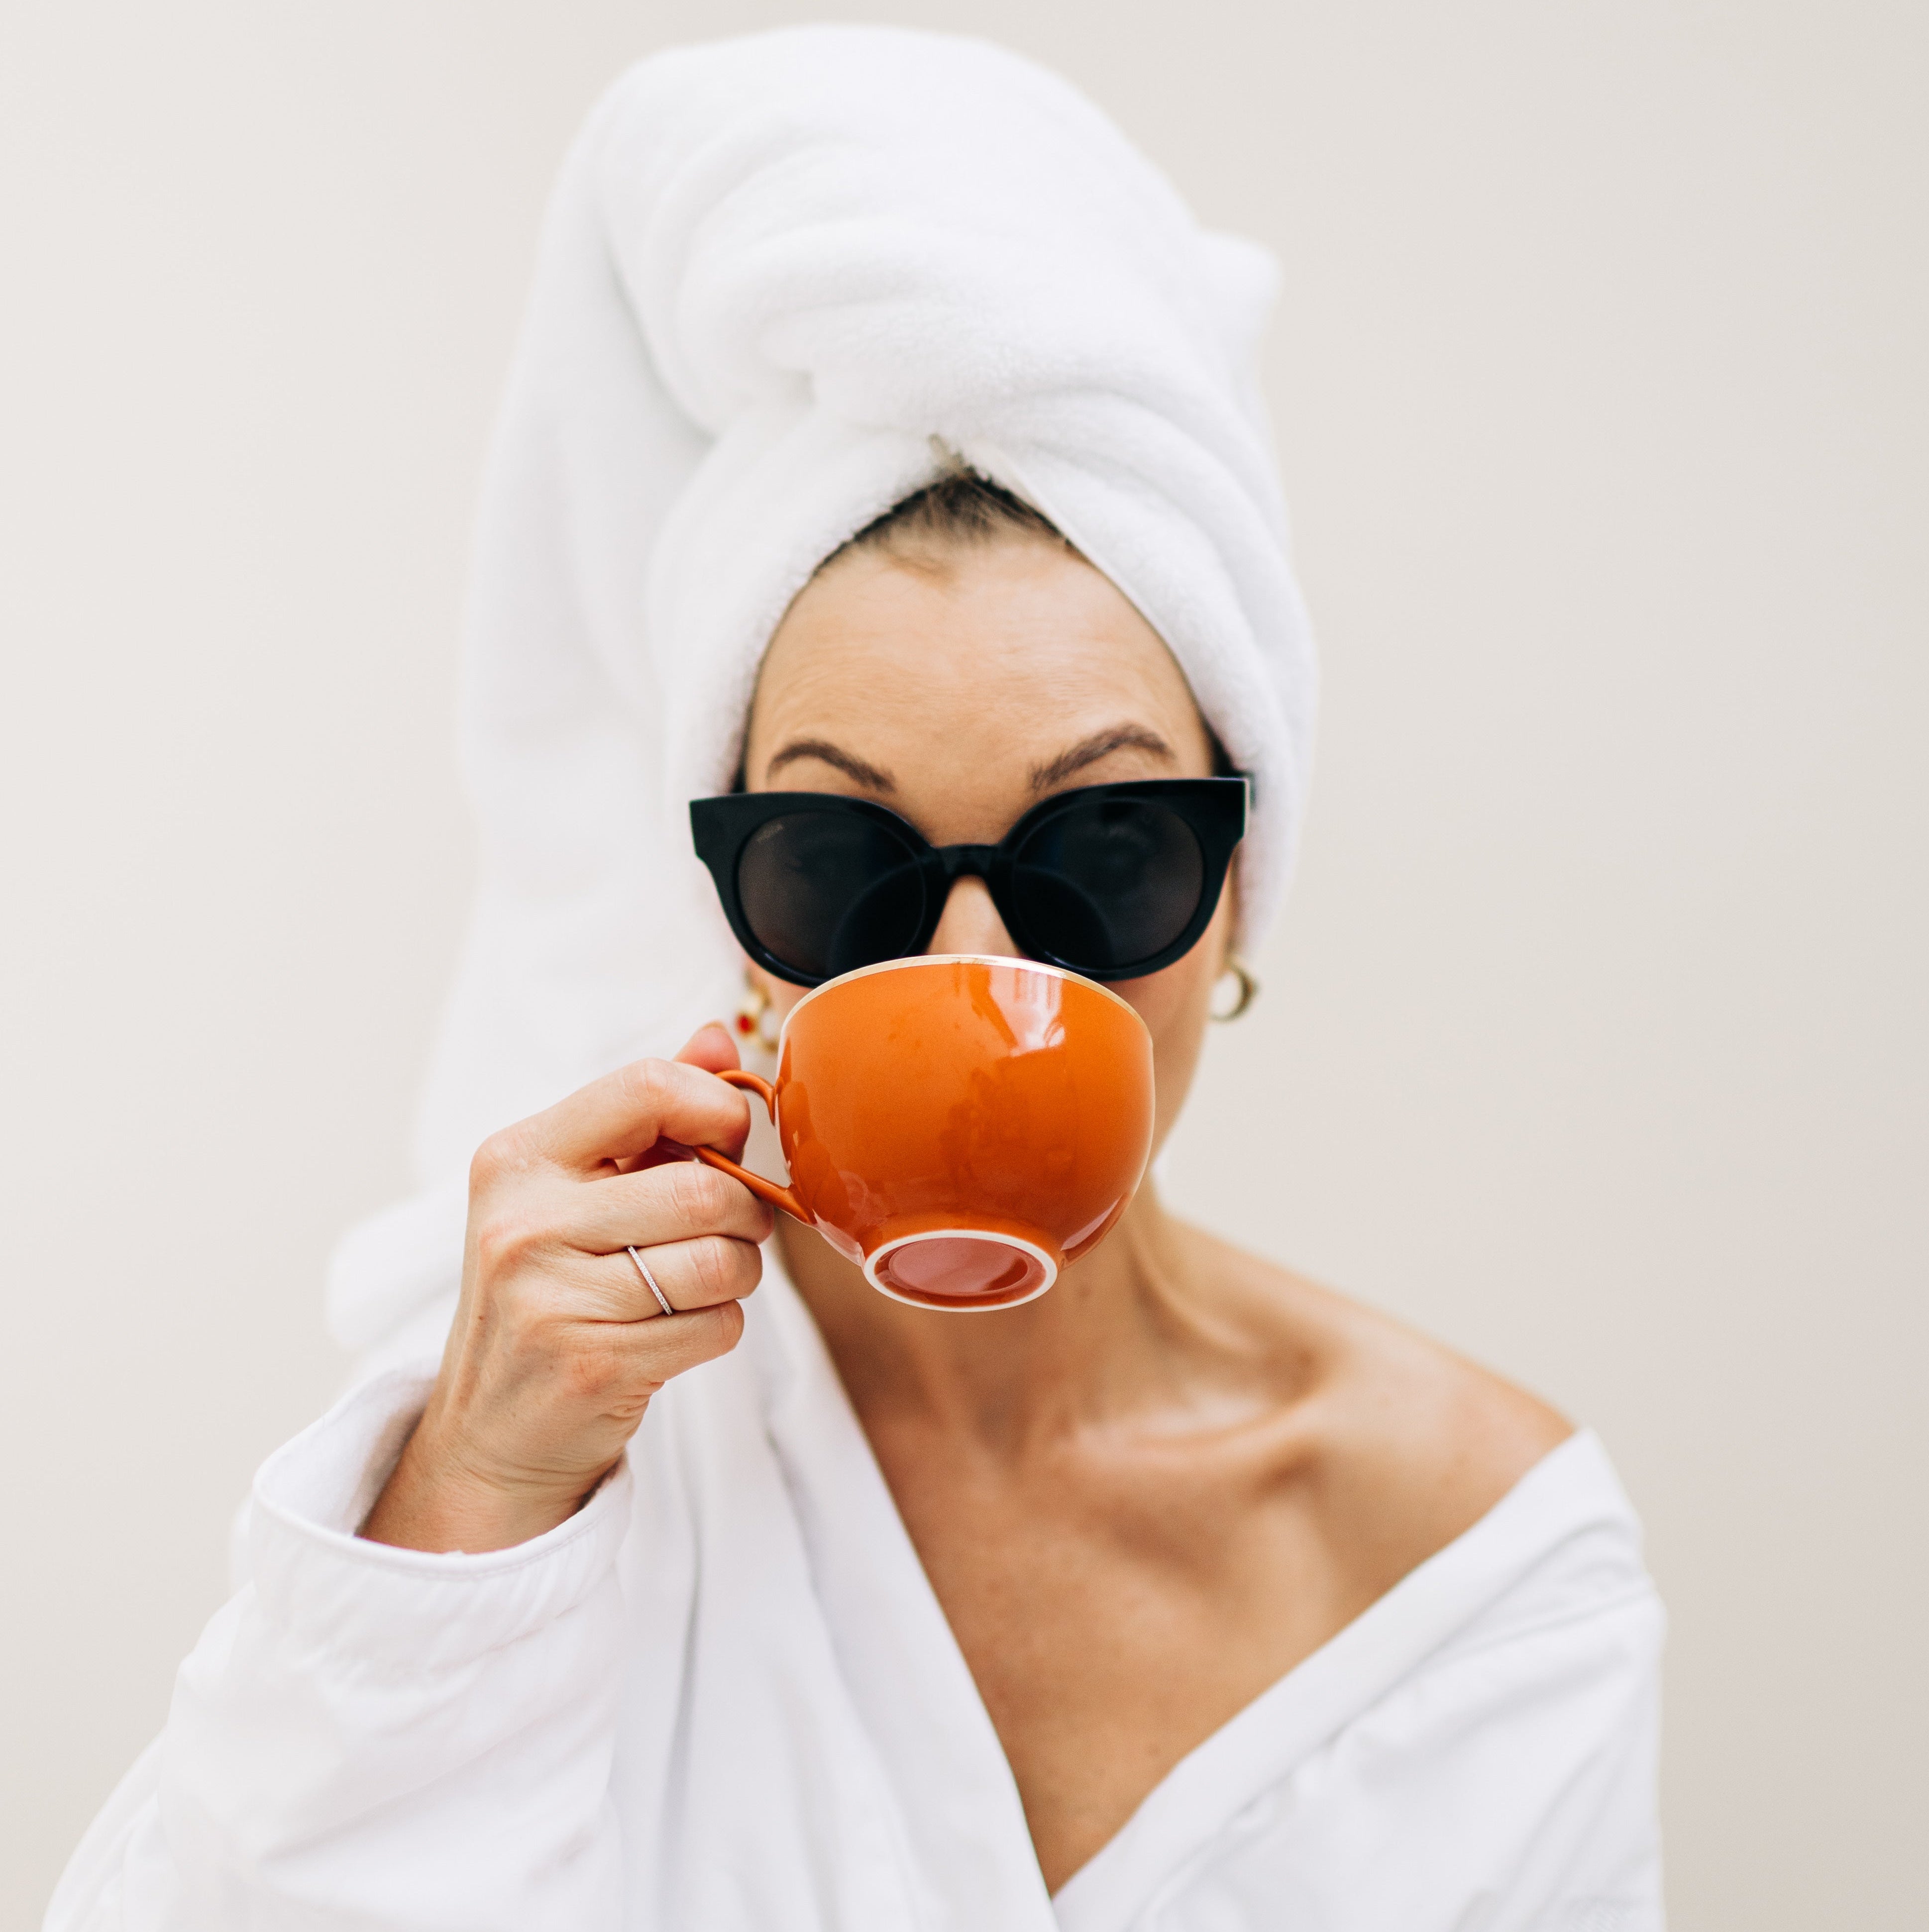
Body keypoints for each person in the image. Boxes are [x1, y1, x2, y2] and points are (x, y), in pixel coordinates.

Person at [47, 27, 1664, 1932]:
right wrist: (471, 1498)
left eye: (1102, 853)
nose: (975, 970)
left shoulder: (1479, 1558)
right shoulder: (558, 1441)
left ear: (1235, 893)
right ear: (729, 914)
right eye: (842, 867)